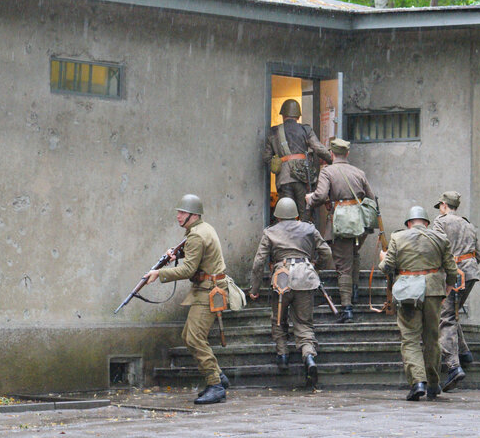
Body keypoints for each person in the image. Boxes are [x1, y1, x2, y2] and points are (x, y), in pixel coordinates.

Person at [144, 194, 230, 405]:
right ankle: (219, 377)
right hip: (208, 288)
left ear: (193, 215)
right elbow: (197, 256)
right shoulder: (202, 229)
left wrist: (159, 274)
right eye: (178, 212)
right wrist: (177, 255)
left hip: (208, 290)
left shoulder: (196, 236)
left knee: (194, 338)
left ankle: (216, 385)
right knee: (188, 335)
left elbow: (189, 269)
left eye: (182, 212)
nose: (178, 216)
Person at [249, 197, 333, 388]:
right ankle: (309, 356)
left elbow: (258, 263)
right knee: (304, 322)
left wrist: (254, 289)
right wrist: (315, 267)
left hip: (281, 279)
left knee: (278, 319)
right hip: (305, 276)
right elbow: (326, 252)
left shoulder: (270, 232)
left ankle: (283, 355)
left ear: (277, 216)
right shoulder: (309, 228)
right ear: (296, 214)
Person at [379, 206, 457, 401]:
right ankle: (433, 384)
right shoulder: (440, 238)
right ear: (427, 223)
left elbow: (386, 267)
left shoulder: (398, 238)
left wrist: (382, 258)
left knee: (410, 338)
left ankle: (417, 382)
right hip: (434, 292)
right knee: (432, 338)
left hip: (408, 293)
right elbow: (452, 271)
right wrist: (446, 290)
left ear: (408, 223)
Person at [305, 138, 375, 323]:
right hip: (359, 224)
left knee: (343, 265)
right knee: (353, 255)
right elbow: (372, 198)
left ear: (332, 154)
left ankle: (347, 308)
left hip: (342, 223)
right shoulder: (359, 172)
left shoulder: (327, 171)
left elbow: (320, 196)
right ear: (347, 154)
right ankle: (355, 292)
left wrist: (310, 199)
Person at [433, 191, 480, 392]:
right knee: (452, 312)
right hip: (471, 273)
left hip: (453, 274)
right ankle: (464, 352)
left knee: (444, 318)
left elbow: (436, 248)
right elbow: (478, 254)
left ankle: (453, 366)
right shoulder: (468, 224)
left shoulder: (440, 222)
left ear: (444, 205)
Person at [263, 99, 332, 222]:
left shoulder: (274, 132)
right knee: (305, 213)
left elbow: (267, 158)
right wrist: (332, 159)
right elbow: (318, 148)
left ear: (283, 114)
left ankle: (288, 239)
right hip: (303, 178)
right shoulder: (305, 130)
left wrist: (277, 168)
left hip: (283, 179)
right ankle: (304, 237)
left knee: (285, 214)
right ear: (298, 116)